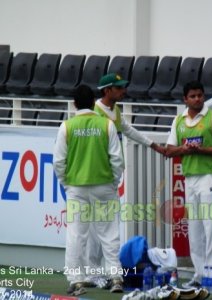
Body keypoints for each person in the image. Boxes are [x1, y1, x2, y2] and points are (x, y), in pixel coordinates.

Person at [86, 72, 166, 287]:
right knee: (98, 228)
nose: (124, 91)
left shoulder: (115, 110)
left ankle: (100, 273)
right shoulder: (95, 113)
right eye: (119, 87)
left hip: (110, 178)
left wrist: (153, 145)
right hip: (97, 178)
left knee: (105, 227)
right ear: (107, 90)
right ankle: (94, 273)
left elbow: (128, 130)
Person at [53, 85, 125, 295]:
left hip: (77, 188)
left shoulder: (67, 126)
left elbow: (58, 162)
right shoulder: (106, 125)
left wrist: (67, 185)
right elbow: (117, 160)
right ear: (94, 102)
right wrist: (113, 183)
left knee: (76, 234)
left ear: (74, 104)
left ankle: (76, 280)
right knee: (109, 233)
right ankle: (116, 278)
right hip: (104, 186)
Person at [165, 81, 212, 289]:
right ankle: (200, 273)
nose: (197, 99)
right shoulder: (179, 120)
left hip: (210, 176)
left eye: (200, 95)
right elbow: (169, 149)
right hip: (190, 178)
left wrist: (201, 150)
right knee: (194, 228)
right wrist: (185, 149)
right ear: (185, 99)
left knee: (211, 224)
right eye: (192, 96)